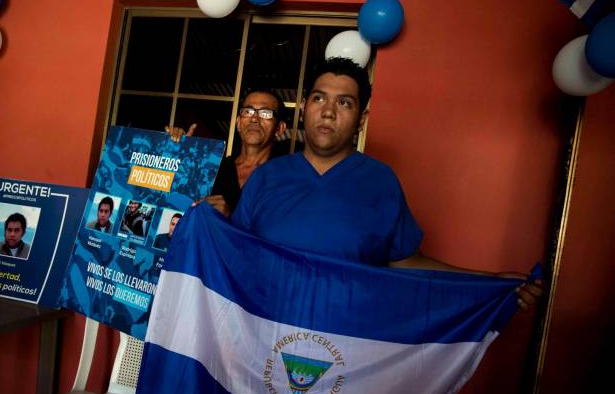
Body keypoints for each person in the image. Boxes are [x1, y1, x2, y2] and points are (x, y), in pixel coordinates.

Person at [231, 57, 542, 310]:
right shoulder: (266, 178)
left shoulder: (380, 182)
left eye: (344, 103)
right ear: (303, 108)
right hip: (262, 343)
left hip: (342, 351)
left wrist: (492, 282)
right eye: (319, 98)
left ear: (361, 120)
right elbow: (230, 254)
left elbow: (407, 263)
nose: (327, 111)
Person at [166, 87, 288, 216]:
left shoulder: (285, 179)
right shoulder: (214, 168)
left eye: (265, 113)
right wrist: (177, 152)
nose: (254, 118)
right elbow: (177, 200)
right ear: (239, 123)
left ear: (279, 128)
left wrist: (230, 219)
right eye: (248, 111)